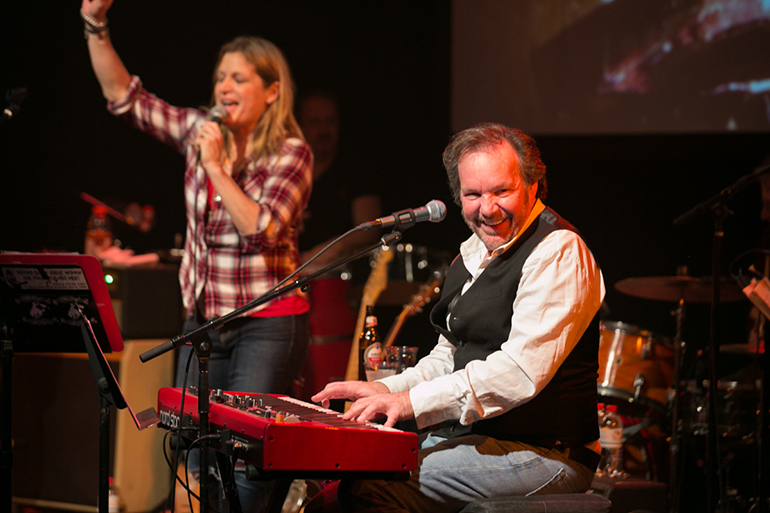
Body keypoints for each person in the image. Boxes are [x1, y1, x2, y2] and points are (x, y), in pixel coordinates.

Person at [81, 1, 312, 512]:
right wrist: (95, 24)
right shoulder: (199, 131)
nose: (224, 88)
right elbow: (123, 97)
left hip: (263, 323)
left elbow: (262, 230)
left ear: (272, 91)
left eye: (239, 78)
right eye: (220, 78)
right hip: (203, 322)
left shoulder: (290, 153)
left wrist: (215, 167)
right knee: (195, 455)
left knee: (248, 462)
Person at [310, 123, 606, 512]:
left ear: (533, 186)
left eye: (502, 190)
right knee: (332, 492)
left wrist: (410, 402)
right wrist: (387, 391)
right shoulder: (471, 253)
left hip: (547, 453)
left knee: (370, 489)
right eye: (473, 194)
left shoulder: (558, 251)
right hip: (476, 439)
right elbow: (449, 355)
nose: (487, 208)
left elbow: (517, 373)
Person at [294, 90, 382, 400]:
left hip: (336, 290)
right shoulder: (288, 172)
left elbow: (368, 230)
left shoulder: (354, 170)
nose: (323, 129)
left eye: (330, 122)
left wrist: (314, 258)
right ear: (299, 125)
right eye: (314, 122)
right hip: (284, 290)